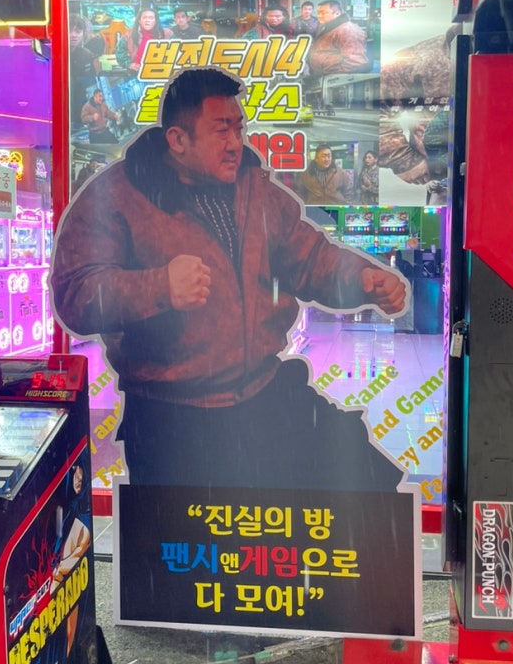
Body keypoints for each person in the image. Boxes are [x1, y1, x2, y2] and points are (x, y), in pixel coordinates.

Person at [51, 66, 409, 493]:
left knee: (364, 481)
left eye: (239, 129)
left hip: (263, 396)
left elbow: (311, 258)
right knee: (189, 534)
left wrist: (364, 279)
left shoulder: (257, 192)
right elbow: (75, 293)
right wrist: (159, 287)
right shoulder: (117, 196)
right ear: (178, 140)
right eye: (221, 131)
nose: (236, 143)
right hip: (170, 420)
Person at [308, 0, 372, 75]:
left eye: (323, 13)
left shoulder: (347, 30)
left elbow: (354, 63)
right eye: (318, 13)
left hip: (336, 78)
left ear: (337, 13)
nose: (319, 16)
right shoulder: (328, 27)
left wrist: (334, 78)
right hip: (323, 75)